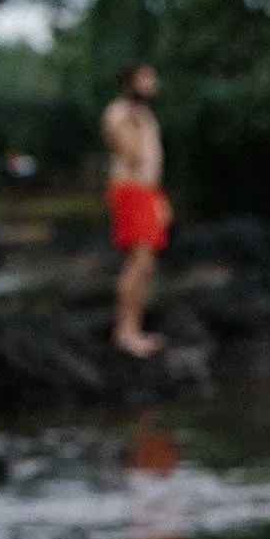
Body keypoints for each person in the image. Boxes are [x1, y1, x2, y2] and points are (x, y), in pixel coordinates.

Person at [101, 63, 170, 357]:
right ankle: (126, 332)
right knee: (138, 262)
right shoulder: (119, 112)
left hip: (148, 192)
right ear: (130, 83)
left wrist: (159, 199)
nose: (152, 84)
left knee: (147, 264)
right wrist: (134, 126)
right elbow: (132, 156)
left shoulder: (144, 115)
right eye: (146, 79)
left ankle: (134, 328)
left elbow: (152, 165)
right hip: (131, 191)